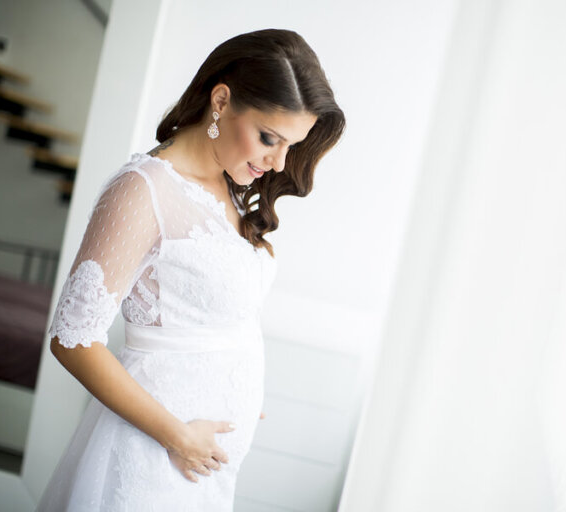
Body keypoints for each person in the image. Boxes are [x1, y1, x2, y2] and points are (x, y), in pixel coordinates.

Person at [36, 28, 345, 511]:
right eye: (269, 138)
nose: (278, 162)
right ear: (221, 101)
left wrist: (234, 385)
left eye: (291, 145)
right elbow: (72, 339)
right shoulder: (142, 190)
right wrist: (177, 435)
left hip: (204, 465)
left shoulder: (229, 188)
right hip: (156, 454)